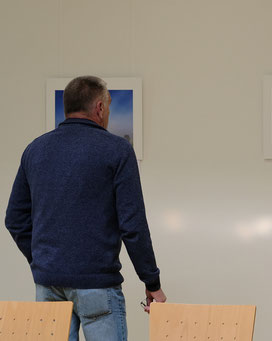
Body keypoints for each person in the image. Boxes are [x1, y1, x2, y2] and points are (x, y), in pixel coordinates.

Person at [5, 76, 166, 341]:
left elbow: (15, 219)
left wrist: (42, 258)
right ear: (100, 108)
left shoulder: (35, 150)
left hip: (48, 284)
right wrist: (152, 283)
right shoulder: (117, 150)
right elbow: (132, 225)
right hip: (98, 285)